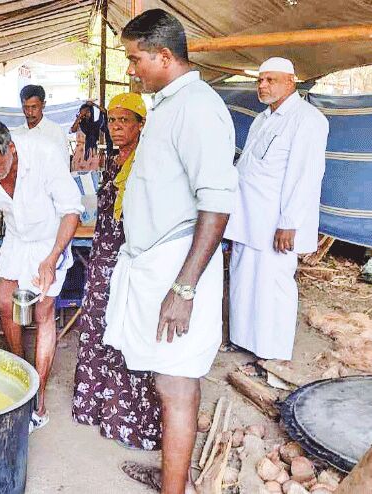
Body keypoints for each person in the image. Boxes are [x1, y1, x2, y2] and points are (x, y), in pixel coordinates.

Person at [103, 10, 237, 494]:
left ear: (164, 56)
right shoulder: (167, 103)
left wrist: (184, 287)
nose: (132, 68)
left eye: (136, 58)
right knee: (167, 381)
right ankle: (172, 472)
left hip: (178, 267)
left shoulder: (198, 108)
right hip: (156, 261)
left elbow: (217, 205)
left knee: (177, 386)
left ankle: (174, 488)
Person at [0, 121, 83, 433]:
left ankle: (37, 400)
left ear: (11, 148)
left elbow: (71, 211)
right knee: (2, 302)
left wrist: (52, 258)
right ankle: (21, 376)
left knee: (42, 311)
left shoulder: (45, 153)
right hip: (16, 240)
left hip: (50, 239)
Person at [71, 93, 162, 450]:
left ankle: (123, 418)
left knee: (128, 329)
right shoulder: (109, 161)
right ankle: (93, 406)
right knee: (96, 322)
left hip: (134, 257)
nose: (118, 128)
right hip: (103, 256)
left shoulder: (147, 163)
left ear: (141, 124)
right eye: (113, 121)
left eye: (126, 121)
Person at [225, 57, 328, 361]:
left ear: (290, 82)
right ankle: (243, 340)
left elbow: (305, 175)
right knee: (244, 279)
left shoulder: (307, 119)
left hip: (276, 222)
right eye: (260, 80)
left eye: (271, 80)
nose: (262, 85)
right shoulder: (262, 119)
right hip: (248, 217)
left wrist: (289, 222)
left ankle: (271, 352)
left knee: (273, 285)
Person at [13, 84, 69, 161]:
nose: (29, 112)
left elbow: (63, 166)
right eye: (26, 107)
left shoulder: (55, 132)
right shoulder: (16, 134)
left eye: (34, 107)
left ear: (43, 105)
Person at [71, 102, 111, 171]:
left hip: (92, 153)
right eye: (84, 112)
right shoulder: (79, 124)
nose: (86, 113)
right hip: (79, 154)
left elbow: (104, 111)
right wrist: (80, 116)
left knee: (92, 176)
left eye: (88, 111)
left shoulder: (95, 125)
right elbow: (73, 130)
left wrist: (94, 105)